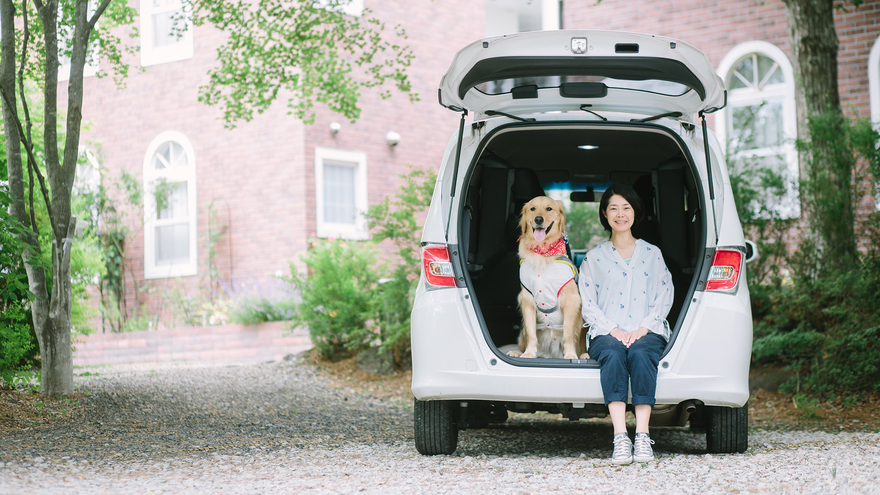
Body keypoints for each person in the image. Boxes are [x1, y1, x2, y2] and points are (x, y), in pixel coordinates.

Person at [578, 183, 673, 465]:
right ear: (605, 214)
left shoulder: (652, 253)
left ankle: (642, 436)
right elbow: (587, 301)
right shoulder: (593, 258)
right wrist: (613, 330)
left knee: (643, 353)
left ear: (635, 212)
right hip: (606, 331)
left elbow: (664, 293)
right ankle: (621, 437)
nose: (621, 214)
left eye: (626, 207)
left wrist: (644, 328)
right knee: (614, 353)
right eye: (613, 208)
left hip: (647, 329)